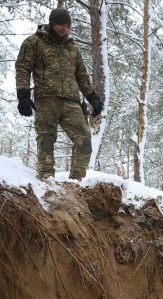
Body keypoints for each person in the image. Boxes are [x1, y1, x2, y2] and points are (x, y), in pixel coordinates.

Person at [15, 7, 103, 181]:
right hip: (46, 99)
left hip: (71, 101)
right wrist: (23, 95)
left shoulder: (72, 49)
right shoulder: (33, 42)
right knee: (46, 140)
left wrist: (93, 98)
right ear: (52, 23)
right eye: (60, 24)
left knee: (84, 140)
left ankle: (75, 183)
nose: (64, 28)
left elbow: (82, 76)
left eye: (67, 25)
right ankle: (47, 181)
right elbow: (23, 68)